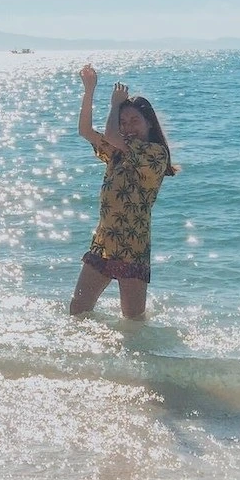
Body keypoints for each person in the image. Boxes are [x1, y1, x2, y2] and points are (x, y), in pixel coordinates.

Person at [69, 64, 177, 319]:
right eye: (123, 122)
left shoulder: (155, 153)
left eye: (134, 121)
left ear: (149, 124)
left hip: (133, 245)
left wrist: (115, 105)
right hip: (104, 241)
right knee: (78, 309)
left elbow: (110, 134)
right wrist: (89, 90)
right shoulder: (117, 151)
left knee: (133, 321)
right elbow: (85, 131)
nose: (128, 127)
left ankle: (141, 358)